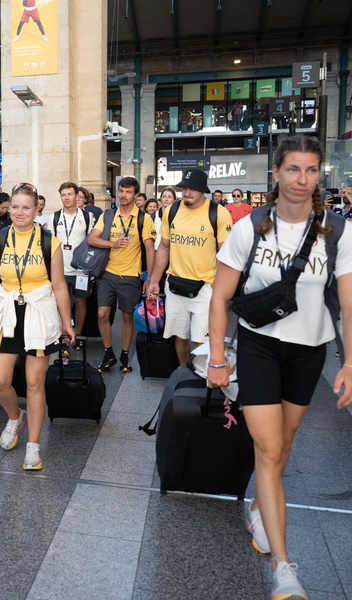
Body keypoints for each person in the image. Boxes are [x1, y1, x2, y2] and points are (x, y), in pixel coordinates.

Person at [207, 134, 352, 600]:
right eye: (293, 169)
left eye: (310, 170)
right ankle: (284, 568)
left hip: (309, 350)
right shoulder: (250, 227)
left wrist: (350, 360)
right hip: (259, 346)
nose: (301, 179)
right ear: (276, 172)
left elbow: (349, 301)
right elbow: (220, 297)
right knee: (269, 450)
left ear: (319, 174)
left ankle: (258, 506)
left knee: (284, 443)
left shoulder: (336, 231)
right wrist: (216, 357)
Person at [0, 183, 74, 470]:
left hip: (39, 314)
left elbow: (59, 286)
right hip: (8, 314)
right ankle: (16, 418)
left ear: (36, 208)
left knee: (34, 382)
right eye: (15, 207)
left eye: (26, 207)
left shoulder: (49, 242)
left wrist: (67, 322)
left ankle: (33, 446)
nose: (19, 212)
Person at [147, 169, 233, 365]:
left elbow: (226, 257)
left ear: (203, 190)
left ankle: (204, 378)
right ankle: (185, 374)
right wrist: (154, 281)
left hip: (206, 287)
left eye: (192, 189)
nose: (187, 193)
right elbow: (164, 248)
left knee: (201, 341)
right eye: (184, 188)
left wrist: (223, 292)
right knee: (180, 337)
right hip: (175, 285)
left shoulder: (218, 213)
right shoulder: (172, 210)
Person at [87, 176, 156, 374]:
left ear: (136, 195)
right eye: (121, 191)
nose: (123, 195)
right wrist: (113, 244)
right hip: (107, 273)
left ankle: (125, 355)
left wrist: (149, 278)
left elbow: (150, 250)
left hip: (131, 276)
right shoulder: (108, 215)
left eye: (128, 192)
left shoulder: (143, 218)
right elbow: (92, 239)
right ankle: (108, 353)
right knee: (102, 314)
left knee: (127, 317)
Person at [52, 182, 93, 349]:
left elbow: (91, 241)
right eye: (63, 195)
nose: (66, 198)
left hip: (81, 270)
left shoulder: (87, 217)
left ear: (77, 196)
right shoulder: (54, 217)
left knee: (80, 303)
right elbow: (51, 244)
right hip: (60, 270)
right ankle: (63, 338)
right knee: (62, 305)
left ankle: (78, 336)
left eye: (69, 194)